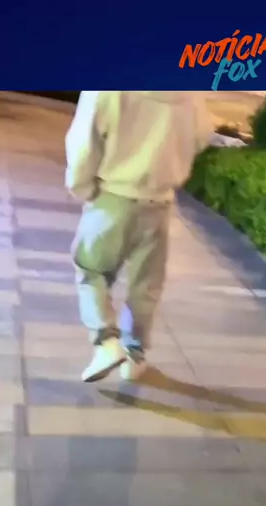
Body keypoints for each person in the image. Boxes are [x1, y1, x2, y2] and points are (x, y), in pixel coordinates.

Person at [65, 91, 212, 382]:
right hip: (160, 202)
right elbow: (202, 135)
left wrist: (81, 186)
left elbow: (84, 141)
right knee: (145, 284)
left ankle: (107, 342)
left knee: (91, 270)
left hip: (113, 196)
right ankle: (134, 355)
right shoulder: (189, 92)